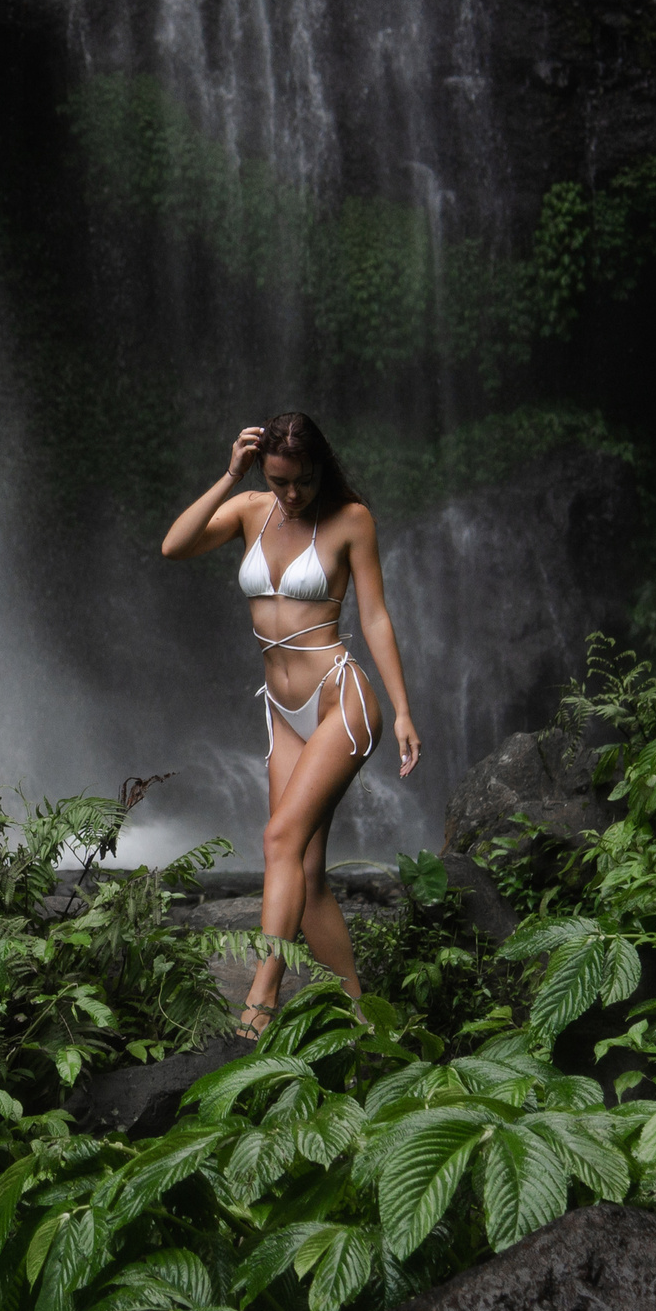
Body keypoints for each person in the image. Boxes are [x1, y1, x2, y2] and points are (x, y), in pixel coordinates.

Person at [160, 412, 421, 1025]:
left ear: (321, 467)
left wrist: (404, 709)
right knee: (306, 874)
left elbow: (376, 617)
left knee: (279, 840)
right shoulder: (251, 509)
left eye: (302, 480)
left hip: (340, 701)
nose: (292, 494)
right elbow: (174, 546)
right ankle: (360, 1018)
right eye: (279, 481)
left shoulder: (350, 521)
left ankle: (261, 1001)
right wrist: (230, 476)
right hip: (282, 710)